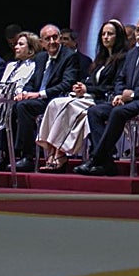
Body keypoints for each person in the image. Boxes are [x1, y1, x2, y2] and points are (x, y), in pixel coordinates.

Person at [73, 16, 139, 176]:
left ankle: (96, 159)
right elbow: (120, 78)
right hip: (128, 102)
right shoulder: (132, 53)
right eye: (138, 30)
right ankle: (107, 162)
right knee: (94, 111)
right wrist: (119, 94)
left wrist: (133, 94)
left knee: (118, 112)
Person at [0, 23, 89, 173]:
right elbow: (33, 81)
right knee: (12, 106)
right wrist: (24, 93)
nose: (52, 41)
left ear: (59, 39)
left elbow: (67, 83)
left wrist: (39, 94)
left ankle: (27, 156)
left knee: (23, 107)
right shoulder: (41, 57)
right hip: (40, 99)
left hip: (57, 101)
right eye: (47, 38)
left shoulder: (69, 56)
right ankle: (7, 155)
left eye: (55, 37)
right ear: (41, 43)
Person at [35, 19, 127, 172]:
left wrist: (88, 89)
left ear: (118, 37)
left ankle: (60, 154)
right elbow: (91, 82)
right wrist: (82, 87)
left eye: (110, 34)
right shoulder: (101, 59)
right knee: (55, 103)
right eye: (103, 34)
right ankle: (51, 151)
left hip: (104, 99)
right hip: (89, 98)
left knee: (66, 105)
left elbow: (114, 86)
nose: (105, 37)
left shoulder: (123, 59)